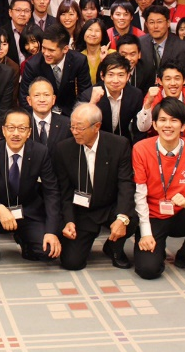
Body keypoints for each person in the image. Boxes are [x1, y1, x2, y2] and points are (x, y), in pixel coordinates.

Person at [132, 98, 185, 280]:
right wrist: (146, 233)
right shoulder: (141, 149)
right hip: (153, 216)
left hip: (181, 213)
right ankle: (157, 248)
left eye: (174, 120)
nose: (168, 125)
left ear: (184, 125)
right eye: (162, 120)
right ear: (154, 125)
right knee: (149, 270)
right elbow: (139, 195)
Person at [0, 108, 61, 271]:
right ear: (3, 130)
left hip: (27, 212)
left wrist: (51, 231)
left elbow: (51, 192)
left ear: (29, 132)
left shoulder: (40, 152)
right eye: (11, 128)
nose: (16, 133)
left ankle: (24, 240)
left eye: (22, 128)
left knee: (48, 252)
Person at [56, 103, 136, 271]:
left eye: (80, 128)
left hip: (110, 206)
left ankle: (114, 247)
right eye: (72, 127)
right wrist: (69, 220)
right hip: (83, 211)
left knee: (131, 218)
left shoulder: (118, 145)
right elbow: (65, 192)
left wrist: (122, 217)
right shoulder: (64, 149)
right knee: (71, 262)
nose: (74, 132)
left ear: (97, 126)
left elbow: (125, 184)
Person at [19, 25, 92, 115]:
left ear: (65, 49)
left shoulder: (79, 61)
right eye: (44, 48)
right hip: (42, 114)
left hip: (72, 113)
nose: (46, 53)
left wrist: (77, 115)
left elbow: (85, 93)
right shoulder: (33, 65)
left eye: (51, 50)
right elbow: (24, 98)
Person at [137, 61, 185, 146]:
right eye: (168, 79)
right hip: (157, 146)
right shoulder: (153, 96)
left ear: (184, 80)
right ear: (159, 81)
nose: (173, 83)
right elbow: (142, 128)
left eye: (177, 78)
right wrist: (148, 104)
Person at [79, 53, 145, 142]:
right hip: (97, 142)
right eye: (110, 75)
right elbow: (81, 126)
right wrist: (93, 102)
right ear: (102, 76)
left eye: (121, 75)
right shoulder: (88, 95)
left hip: (124, 143)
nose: (115, 80)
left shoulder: (135, 94)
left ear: (128, 76)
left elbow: (139, 128)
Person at [138, 4, 185, 75]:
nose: (155, 26)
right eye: (151, 22)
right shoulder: (140, 43)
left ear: (168, 23)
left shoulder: (181, 47)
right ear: (146, 24)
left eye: (159, 22)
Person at [24, 77, 71, 149]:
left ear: (53, 99)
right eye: (37, 95)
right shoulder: (22, 124)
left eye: (46, 95)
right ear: (29, 100)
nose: (42, 100)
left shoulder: (67, 124)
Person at [4, 0, 40, 64]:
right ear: (10, 12)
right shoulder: (2, 33)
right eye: (18, 10)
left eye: (27, 11)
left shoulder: (35, 31)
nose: (22, 14)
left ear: (30, 14)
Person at [77, 18, 113, 85]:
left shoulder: (111, 54)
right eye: (90, 30)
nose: (93, 34)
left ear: (103, 35)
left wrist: (104, 60)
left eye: (97, 31)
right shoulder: (78, 57)